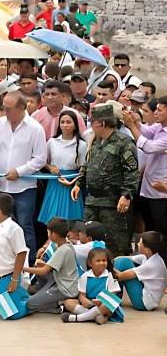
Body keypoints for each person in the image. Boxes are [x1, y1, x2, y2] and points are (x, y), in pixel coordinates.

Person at [71, 103, 139, 256]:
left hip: (112, 203)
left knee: (115, 244)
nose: (90, 126)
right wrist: (78, 183)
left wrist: (126, 195)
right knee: (89, 241)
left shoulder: (124, 143)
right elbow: (88, 164)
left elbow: (132, 172)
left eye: (92, 122)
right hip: (92, 201)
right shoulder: (96, 141)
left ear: (102, 123)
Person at [0, 92, 47, 262]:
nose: (5, 112)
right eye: (4, 108)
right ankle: (4, 263)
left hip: (24, 188)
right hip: (0, 186)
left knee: (24, 227)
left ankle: (28, 268)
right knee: (0, 227)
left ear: (22, 108)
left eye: (9, 109)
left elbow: (40, 159)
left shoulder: (35, 128)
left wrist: (19, 171)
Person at [122, 96, 167, 238]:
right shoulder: (160, 126)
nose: (155, 113)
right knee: (151, 226)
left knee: (162, 227)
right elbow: (146, 132)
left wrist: (132, 126)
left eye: (160, 110)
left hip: (162, 189)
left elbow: (148, 147)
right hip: (149, 186)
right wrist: (136, 121)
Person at [39, 111, 87, 224]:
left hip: (72, 183)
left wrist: (74, 182)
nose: (65, 125)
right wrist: (50, 168)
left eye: (69, 122)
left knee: (71, 221)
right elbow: (42, 161)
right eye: (62, 122)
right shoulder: (52, 142)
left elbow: (83, 168)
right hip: (55, 182)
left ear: (75, 125)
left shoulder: (82, 145)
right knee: (52, 218)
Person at [24, 218, 79, 314]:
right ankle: (45, 294)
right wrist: (43, 265)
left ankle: (57, 306)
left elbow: (44, 271)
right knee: (38, 268)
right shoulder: (67, 245)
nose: (48, 235)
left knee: (30, 303)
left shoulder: (63, 250)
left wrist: (23, 268)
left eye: (48, 232)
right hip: (58, 280)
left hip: (64, 288)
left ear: (54, 234)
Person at [62, 246, 124, 324]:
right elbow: (81, 295)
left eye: (104, 260)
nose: (101, 263)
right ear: (90, 263)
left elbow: (113, 294)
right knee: (68, 302)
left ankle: (77, 318)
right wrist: (85, 301)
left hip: (103, 305)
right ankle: (96, 317)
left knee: (109, 304)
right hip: (90, 304)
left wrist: (101, 301)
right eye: (98, 261)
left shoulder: (110, 275)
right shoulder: (85, 276)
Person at [113, 231, 167, 311]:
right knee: (121, 261)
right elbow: (125, 258)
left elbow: (120, 276)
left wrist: (107, 267)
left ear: (147, 250)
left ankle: (113, 300)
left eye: (140, 242)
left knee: (123, 262)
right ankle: (115, 298)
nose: (137, 244)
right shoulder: (150, 256)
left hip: (143, 303)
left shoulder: (152, 265)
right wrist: (114, 260)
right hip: (147, 297)